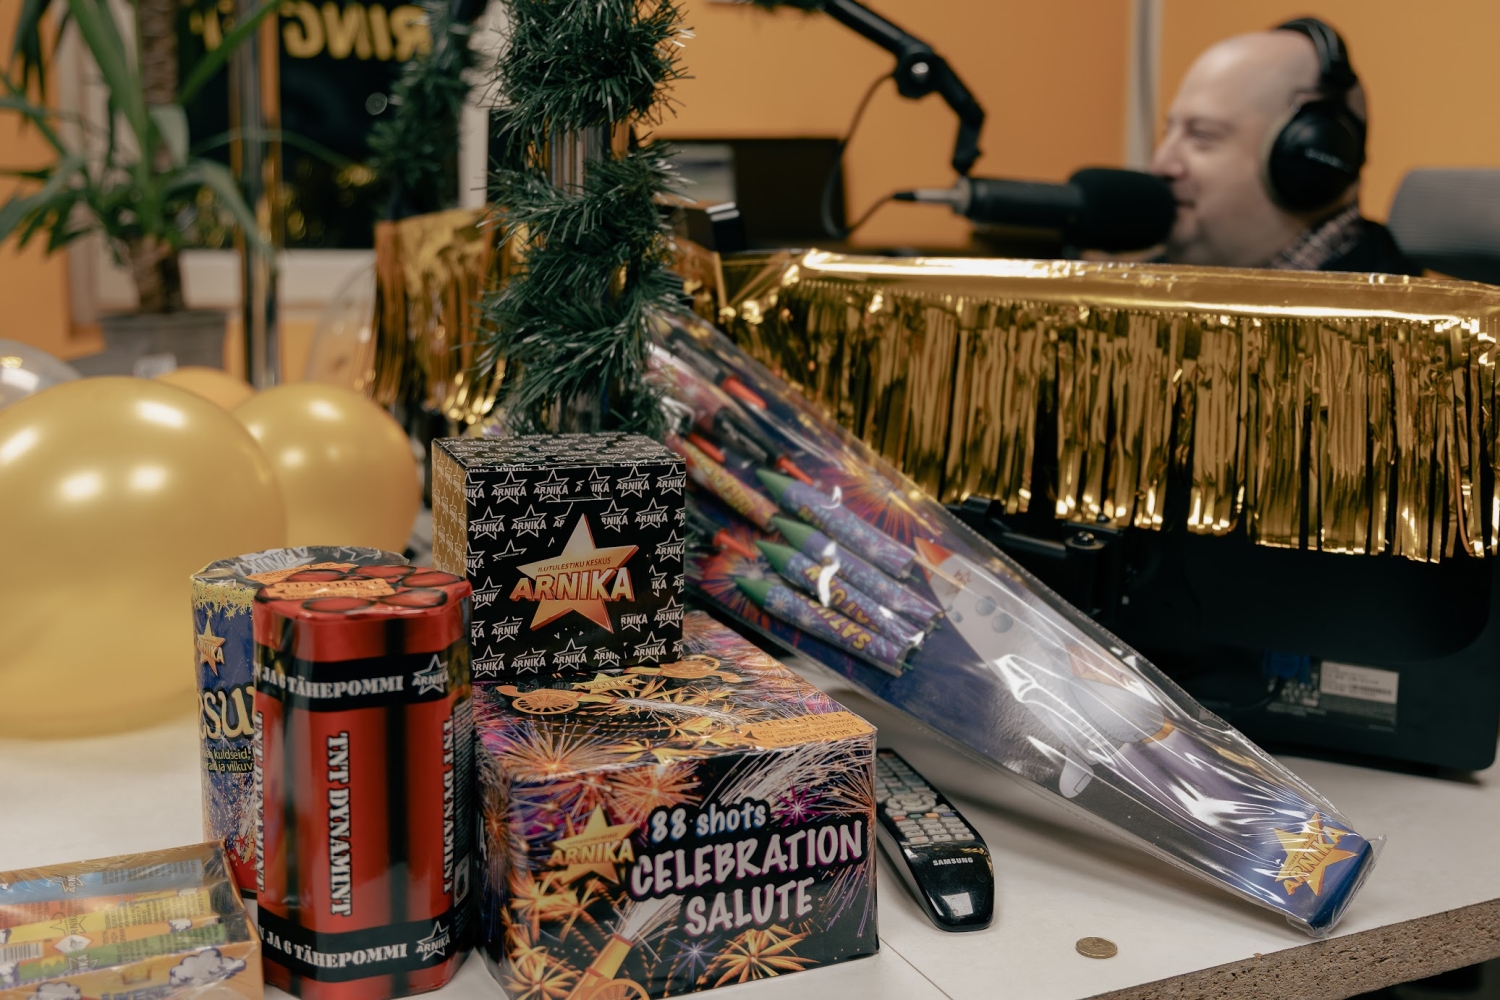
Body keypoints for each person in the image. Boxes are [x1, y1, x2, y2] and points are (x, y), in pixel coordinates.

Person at [1151, 18, 1420, 275]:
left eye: (1202, 135)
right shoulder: (1143, 287)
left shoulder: (1395, 306)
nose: (1160, 165)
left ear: (1311, 159)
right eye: (1167, 133)